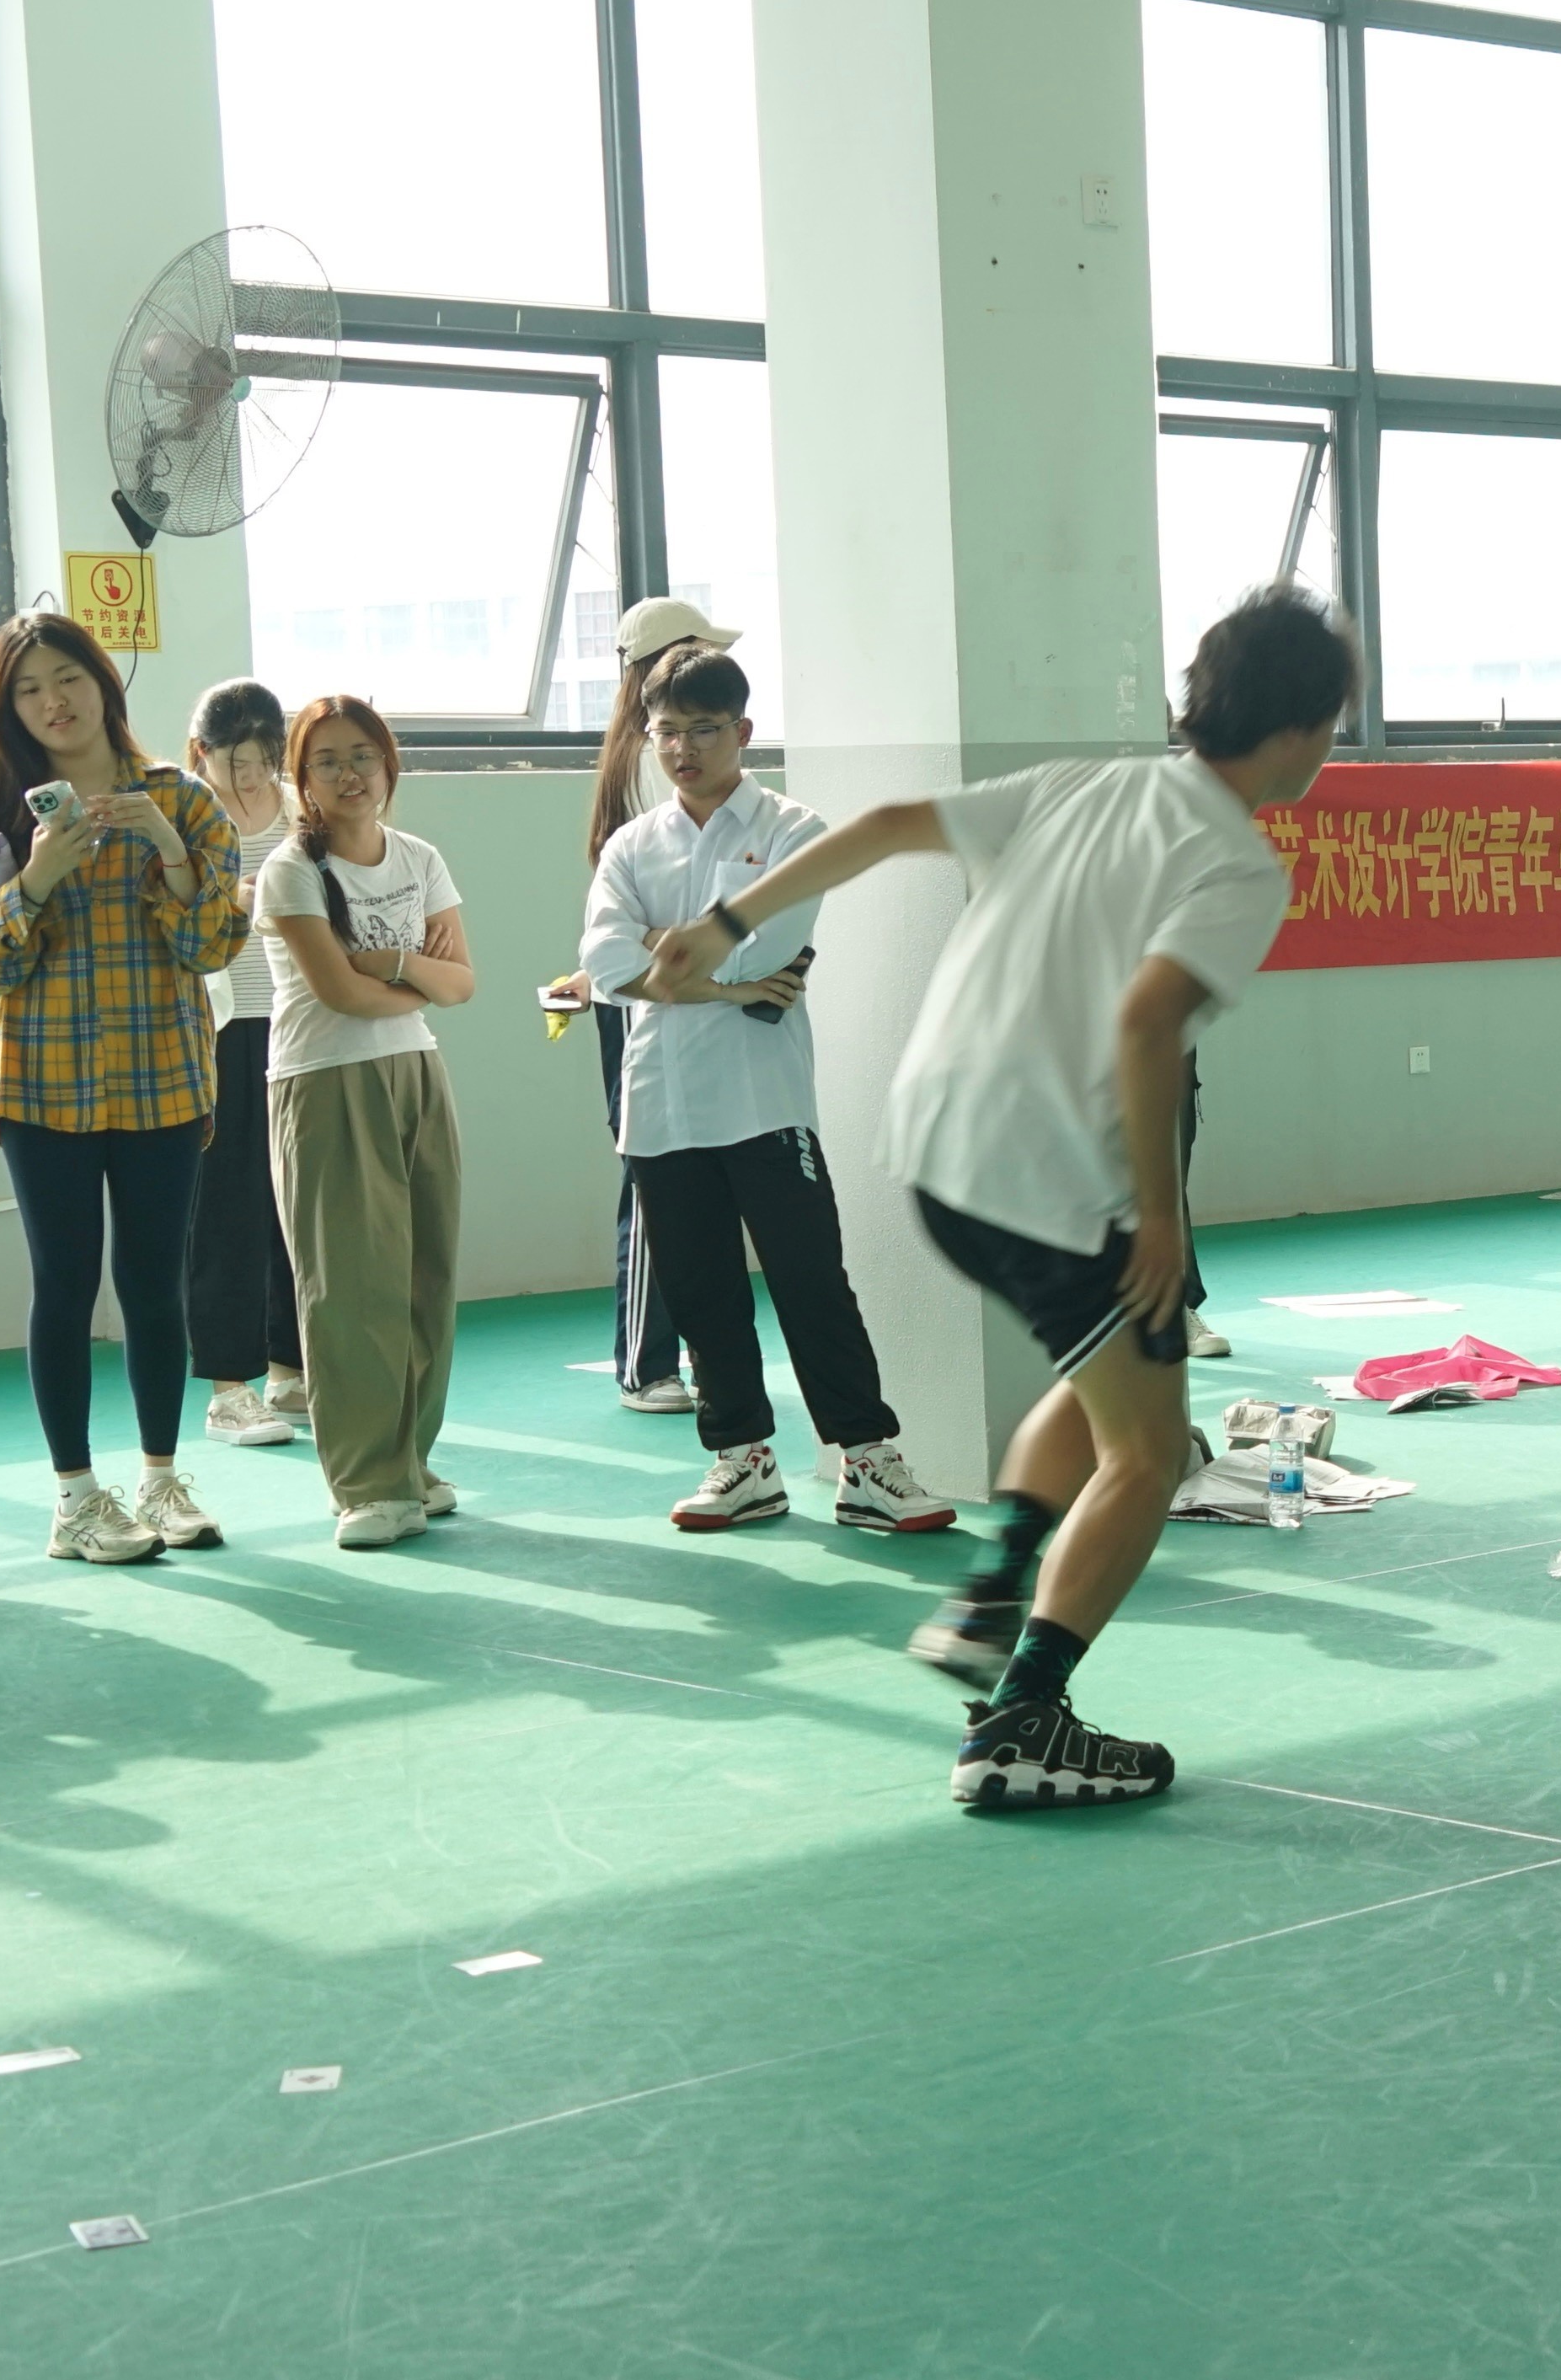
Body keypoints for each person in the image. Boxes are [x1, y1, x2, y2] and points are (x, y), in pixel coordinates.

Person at [647, 588, 1338, 1811]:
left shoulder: (1082, 785)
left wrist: (727, 920)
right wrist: (1162, 1219)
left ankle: (993, 1590)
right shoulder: (1236, 864)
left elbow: (891, 825)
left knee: (1107, 1370)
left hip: (934, 1147)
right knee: (1148, 1451)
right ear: (1296, 730)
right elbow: (1147, 1026)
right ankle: (1024, 1719)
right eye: (1330, 723)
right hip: (1047, 1167)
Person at [576, 650, 949, 1539]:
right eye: (666, 732)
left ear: (742, 731)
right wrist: (724, 981)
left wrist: (679, 955)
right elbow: (604, 964)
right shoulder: (632, 845)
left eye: (704, 730)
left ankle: (867, 1459)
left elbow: (763, 949)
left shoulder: (794, 829)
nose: (683, 749)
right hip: (660, 1107)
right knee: (702, 1294)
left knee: (812, 1282)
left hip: (765, 1103)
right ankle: (742, 1460)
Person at [0, 611, 249, 1564]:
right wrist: (34, 881)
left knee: (154, 1287)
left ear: (103, 683)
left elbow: (213, 945)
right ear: (8, 709)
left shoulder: (183, 800)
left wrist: (172, 853)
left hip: (164, 1081)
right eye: (28, 689)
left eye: (67, 677)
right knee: (63, 1287)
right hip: (44, 1087)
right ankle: (74, 1500)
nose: (53, 701)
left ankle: (160, 1479)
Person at [253, 695, 471, 1548]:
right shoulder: (292, 871)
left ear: (388, 764)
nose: (349, 774)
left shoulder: (421, 858)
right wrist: (416, 978)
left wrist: (391, 960)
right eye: (327, 761)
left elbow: (462, 984)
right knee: (349, 1288)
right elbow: (338, 993)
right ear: (301, 780)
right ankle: (367, 1484)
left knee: (425, 1278)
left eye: (363, 756)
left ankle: (410, 1461)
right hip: (325, 1080)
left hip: (416, 1072)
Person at [572, 604, 716, 1414]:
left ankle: (687, 1352)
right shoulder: (649, 760)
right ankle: (644, 1363)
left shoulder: (649, 751)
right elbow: (630, 910)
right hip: (642, 994)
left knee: (686, 1170)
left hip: (668, 987)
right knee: (652, 1169)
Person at [179, 677, 313, 1452]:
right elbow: (168, 912)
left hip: (300, 1023)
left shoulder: (301, 811)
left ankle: (289, 1366)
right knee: (224, 1207)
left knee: (296, 1200)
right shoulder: (182, 814)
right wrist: (239, 892)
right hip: (216, 1030)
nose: (253, 778)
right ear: (201, 753)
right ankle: (228, 1388)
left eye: (265, 761)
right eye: (236, 764)